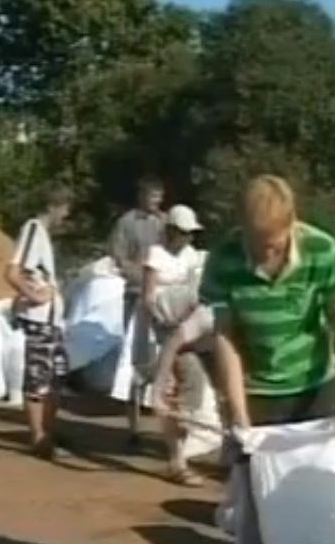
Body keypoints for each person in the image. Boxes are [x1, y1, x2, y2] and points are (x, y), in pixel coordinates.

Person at [199, 174, 335, 437]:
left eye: (273, 245)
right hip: (256, 393)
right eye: (256, 244)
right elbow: (225, 336)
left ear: (292, 223)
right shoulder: (223, 259)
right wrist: (239, 413)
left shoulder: (321, 249)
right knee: (254, 474)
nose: (266, 254)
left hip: (316, 389)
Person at [136, 204, 209, 480]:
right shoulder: (156, 255)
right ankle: (177, 460)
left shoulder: (191, 256)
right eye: (183, 233)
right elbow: (148, 297)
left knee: (191, 385)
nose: (188, 239)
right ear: (172, 231)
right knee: (185, 380)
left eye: (191, 234)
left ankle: (179, 451)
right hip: (165, 323)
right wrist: (163, 323)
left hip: (189, 322)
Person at [3, 183, 73, 460]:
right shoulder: (33, 229)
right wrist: (32, 294)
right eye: (65, 209)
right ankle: (38, 437)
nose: (65, 216)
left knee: (55, 376)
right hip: (40, 320)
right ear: (56, 206)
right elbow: (12, 271)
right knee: (38, 378)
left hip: (52, 320)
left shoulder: (41, 234)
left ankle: (48, 430)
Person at [109, 175, 165, 446]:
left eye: (159, 197)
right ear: (142, 197)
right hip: (135, 296)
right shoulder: (127, 223)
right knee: (135, 361)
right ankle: (134, 427)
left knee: (164, 360)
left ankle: (164, 422)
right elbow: (119, 256)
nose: (156, 202)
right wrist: (141, 277)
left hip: (164, 300)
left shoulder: (166, 223)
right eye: (152, 197)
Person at [152, 304, 219, 486]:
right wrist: (159, 388)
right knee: (187, 400)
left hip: (208, 345)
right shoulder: (210, 315)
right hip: (174, 333)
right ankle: (177, 463)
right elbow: (173, 341)